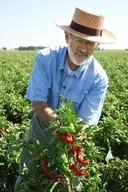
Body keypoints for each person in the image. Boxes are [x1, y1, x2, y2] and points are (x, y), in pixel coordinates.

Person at [14, 7, 117, 191]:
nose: (84, 49)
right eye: (79, 40)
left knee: (67, 184)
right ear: (67, 37)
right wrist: (60, 126)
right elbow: (38, 103)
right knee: (28, 178)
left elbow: (85, 122)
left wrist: (70, 137)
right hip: (41, 130)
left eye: (90, 43)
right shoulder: (45, 58)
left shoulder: (99, 78)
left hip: (72, 139)